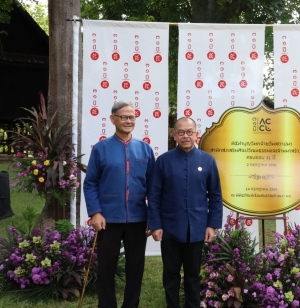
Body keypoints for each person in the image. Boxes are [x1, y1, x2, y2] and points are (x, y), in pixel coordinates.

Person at [83, 101, 155, 308]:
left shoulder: (145, 149)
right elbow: (90, 184)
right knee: (106, 267)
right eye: (123, 117)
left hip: (138, 218)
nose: (128, 121)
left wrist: (154, 218)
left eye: (132, 117)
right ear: (113, 118)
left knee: (136, 266)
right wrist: (95, 212)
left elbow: (154, 187)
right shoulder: (101, 148)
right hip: (108, 218)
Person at [148, 117, 223, 308]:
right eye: (180, 132)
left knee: (193, 275)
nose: (185, 136)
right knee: (171, 274)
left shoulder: (207, 161)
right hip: (169, 228)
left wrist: (212, 225)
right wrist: (155, 225)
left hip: (197, 228)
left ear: (196, 134)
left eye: (189, 132)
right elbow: (154, 196)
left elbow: (215, 195)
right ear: (174, 135)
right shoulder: (163, 161)